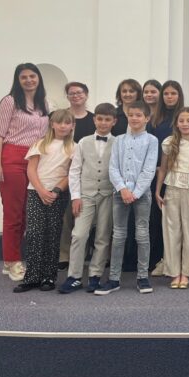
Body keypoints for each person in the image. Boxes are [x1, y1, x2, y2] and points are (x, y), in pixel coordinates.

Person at [0, 63, 50, 282]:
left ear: (39, 78)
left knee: (27, 212)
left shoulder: (43, 103)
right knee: (13, 213)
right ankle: (12, 261)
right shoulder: (9, 101)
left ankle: (11, 259)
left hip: (35, 159)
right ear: (18, 80)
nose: (28, 80)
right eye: (23, 77)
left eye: (32, 76)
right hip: (12, 158)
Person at [96, 100, 158, 295]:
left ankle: (142, 277)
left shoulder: (152, 141)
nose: (134, 118)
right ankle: (114, 278)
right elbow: (113, 167)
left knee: (142, 234)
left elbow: (149, 169)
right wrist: (123, 189)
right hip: (120, 194)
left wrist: (136, 192)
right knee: (118, 235)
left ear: (147, 118)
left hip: (142, 194)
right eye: (131, 115)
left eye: (139, 115)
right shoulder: (119, 140)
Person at [13, 109, 75, 293]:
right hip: (36, 192)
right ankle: (32, 277)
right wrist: (41, 190)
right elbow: (31, 170)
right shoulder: (39, 144)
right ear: (52, 124)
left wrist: (55, 191)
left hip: (58, 194)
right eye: (59, 122)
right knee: (34, 234)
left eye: (67, 123)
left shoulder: (74, 147)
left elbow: (71, 173)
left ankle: (48, 276)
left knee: (52, 234)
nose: (63, 126)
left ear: (72, 126)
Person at [59, 103, 118, 294]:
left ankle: (95, 276)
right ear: (94, 120)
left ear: (114, 121)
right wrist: (75, 197)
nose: (103, 123)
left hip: (108, 195)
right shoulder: (83, 142)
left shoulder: (118, 143)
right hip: (85, 195)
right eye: (100, 119)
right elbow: (74, 171)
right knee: (79, 234)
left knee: (102, 236)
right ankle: (74, 276)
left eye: (107, 119)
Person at [155, 107, 189, 289]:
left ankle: (186, 272)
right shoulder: (169, 142)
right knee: (172, 231)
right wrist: (158, 191)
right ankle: (174, 272)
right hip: (172, 189)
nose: (185, 124)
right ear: (176, 124)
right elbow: (163, 168)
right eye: (181, 121)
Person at [58, 81, 96, 271]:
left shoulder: (94, 119)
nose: (76, 96)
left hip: (88, 172)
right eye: (71, 93)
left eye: (79, 92)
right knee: (66, 216)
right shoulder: (60, 116)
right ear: (67, 97)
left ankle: (84, 253)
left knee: (84, 216)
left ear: (86, 95)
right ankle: (64, 255)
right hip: (63, 171)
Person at [148, 80, 184, 276]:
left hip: (180, 174)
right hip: (158, 174)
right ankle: (160, 259)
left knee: (178, 220)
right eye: (166, 94)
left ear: (179, 96)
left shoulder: (184, 116)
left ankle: (178, 260)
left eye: (173, 93)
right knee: (158, 219)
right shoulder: (155, 119)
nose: (169, 97)